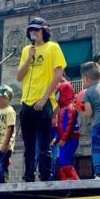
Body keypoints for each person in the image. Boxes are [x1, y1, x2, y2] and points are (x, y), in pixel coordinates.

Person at [17, 17, 67, 182]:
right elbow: (19, 76)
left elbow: (58, 75)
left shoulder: (53, 47)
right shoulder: (26, 50)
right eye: (31, 29)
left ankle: (45, 175)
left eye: (36, 29)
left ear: (44, 30)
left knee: (44, 143)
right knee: (28, 144)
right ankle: (28, 175)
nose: (33, 32)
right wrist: (28, 59)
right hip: (26, 102)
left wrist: (45, 99)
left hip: (44, 102)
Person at [52, 81, 80, 180]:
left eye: (59, 93)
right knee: (61, 160)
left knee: (64, 159)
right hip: (66, 139)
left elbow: (69, 124)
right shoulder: (63, 108)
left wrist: (63, 138)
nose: (57, 96)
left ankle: (75, 180)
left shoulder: (70, 108)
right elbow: (60, 127)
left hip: (71, 138)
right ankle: (66, 180)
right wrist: (56, 139)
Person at [0, 84, 16, 183]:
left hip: (4, 145)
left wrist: (6, 144)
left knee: (2, 166)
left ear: (5, 98)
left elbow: (11, 127)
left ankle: (3, 184)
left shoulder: (10, 111)